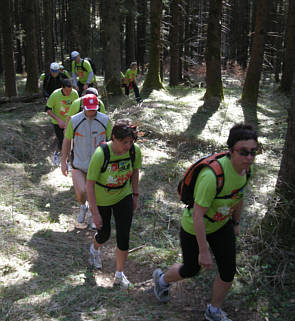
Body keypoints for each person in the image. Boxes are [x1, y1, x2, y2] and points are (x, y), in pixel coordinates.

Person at [152, 123, 258, 321]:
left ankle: (214, 310)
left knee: (228, 270)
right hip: (195, 228)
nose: (249, 157)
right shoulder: (212, 176)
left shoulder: (247, 171)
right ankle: (162, 279)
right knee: (191, 269)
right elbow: (197, 215)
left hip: (222, 224)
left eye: (253, 152)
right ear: (231, 150)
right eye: (244, 152)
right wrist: (203, 250)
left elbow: (239, 196)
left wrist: (235, 223)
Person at [86, 119, 142, 288]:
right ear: (114, 139)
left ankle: (119, 273)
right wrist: (94, 213)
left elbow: (135, 171)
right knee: (104, 234)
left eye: (131, 142)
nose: (128, 146)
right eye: (124, 142)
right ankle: (94, 249)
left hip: (123, 194)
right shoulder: (101, 154)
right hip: (102, 197)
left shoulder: (134, 151)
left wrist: (135, 195)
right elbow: (90, 184)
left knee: (124, 235)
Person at [61, 94, 112, 229]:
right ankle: (83, 206)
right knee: (82, 191)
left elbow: (112, 142)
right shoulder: (74, 120)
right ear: (83, 107)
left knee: (95, 193)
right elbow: (66, 141)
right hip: (78, 163)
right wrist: (63, 162)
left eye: (94, 109)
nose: (91, 112)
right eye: (89, 109)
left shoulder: (105, 120)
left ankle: (92, 215)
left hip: (98, 165)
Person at [45, 79, 79, 165]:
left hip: (71, 122)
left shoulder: (74, 94)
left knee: (70, 141)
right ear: (62, 88)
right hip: (58, 123)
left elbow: (78, 108)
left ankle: (68, 160)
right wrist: (59, 120)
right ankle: (57, 155)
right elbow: (48, 109)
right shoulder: (55, 95)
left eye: (70, 90)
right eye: (67, 91)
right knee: (61, 141)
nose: (69, 93)